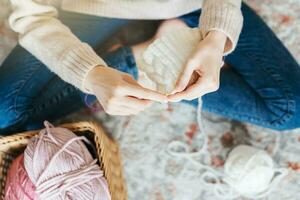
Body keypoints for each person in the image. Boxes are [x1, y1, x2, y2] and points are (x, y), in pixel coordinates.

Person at [0, 0, 299, 135]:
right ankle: (138, 59)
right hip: (88, 8)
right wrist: (91, 74)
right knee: (2, 114)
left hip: (193, 3)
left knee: (290, 109)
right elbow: (31, 17)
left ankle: (140, 60)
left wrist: (217, 34)